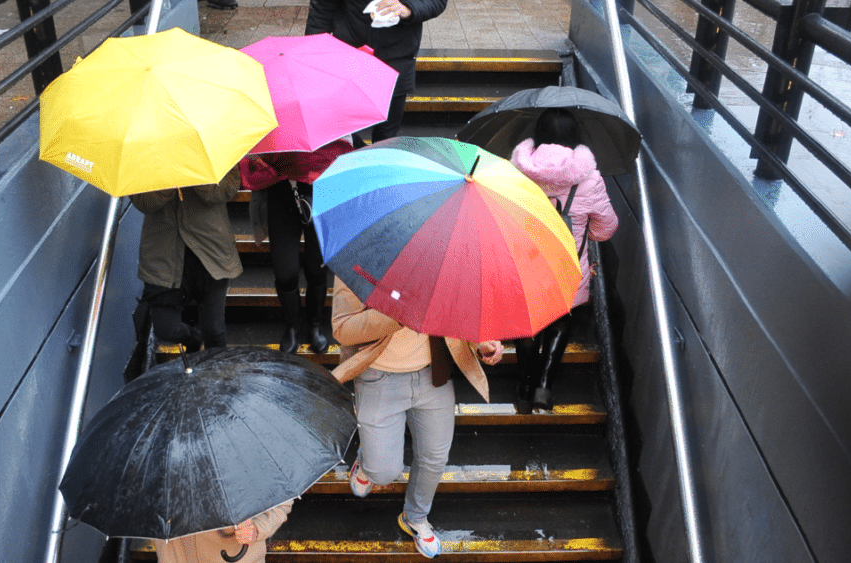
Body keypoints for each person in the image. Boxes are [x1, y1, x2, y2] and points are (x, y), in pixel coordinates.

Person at [331, 279, 503, 559]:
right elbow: (343, 329)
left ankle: (415, 517)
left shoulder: (447, 256)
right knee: (383, 472)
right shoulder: (358, 259)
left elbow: (461, 313)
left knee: (435, 457)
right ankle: (367, 461)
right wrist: (399, 314)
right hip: (378, 374)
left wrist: (482, 342)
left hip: (432, 373)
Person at [509, 107, 619, 413]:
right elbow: (607, 226)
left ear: (539, 135)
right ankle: (545, 383)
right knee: (561, 318)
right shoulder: (589, 179)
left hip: (525, 262)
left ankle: (526, 385)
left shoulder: (515, 171)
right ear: (575, 139)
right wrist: (587, 235)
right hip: (567, 266)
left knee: (528, 322)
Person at [240, 137, 357, 354]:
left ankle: (314, 324)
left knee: (317, 268)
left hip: (322, 192)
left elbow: (347, 154)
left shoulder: (330, 112)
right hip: (281, 193)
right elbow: (250, 169)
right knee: (285, 272)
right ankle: (292, 326)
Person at [130, 167, 243, 358]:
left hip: (210, 251)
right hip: (163, 256)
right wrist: (170, 178)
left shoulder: (212, 148)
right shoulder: (145, 156)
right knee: (165, 328)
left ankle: (218, 380)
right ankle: (193, 339)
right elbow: (143, 202)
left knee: (214, 331)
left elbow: (227, 189)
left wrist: (194, 174)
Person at [305, 0, 446, 142]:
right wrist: (311, 60)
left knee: (385, 138)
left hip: (397, 60)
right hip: (349, 58)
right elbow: (320, 14)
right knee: (341, 134)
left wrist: (409, 7)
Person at [151, 499, 294, 563]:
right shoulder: (155, 448)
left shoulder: (252, 444)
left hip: (237, 554)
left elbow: (282, 503)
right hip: (178, 554)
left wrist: (258, 527)